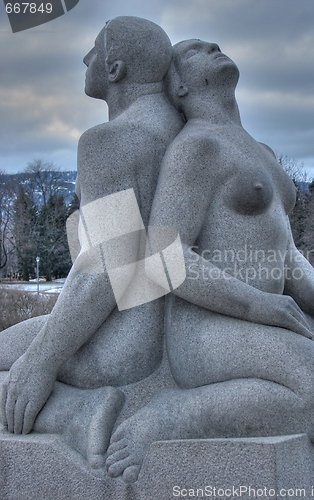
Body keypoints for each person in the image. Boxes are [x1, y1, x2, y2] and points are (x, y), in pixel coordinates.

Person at [106, 39, 314, 483]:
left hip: (275, 322)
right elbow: (162, 257)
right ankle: (173, 414)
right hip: (210, 331)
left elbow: (285, 253)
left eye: (211, 44)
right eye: (194, 52)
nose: (212, 46)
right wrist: (256, 304)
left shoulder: (262, 153)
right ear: (178, 88)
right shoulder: (197, 148)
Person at [0, 17, 183, 466]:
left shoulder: (111, 140)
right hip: (175, 331)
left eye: (95, 50)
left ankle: (76, 415)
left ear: (115, 68)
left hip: (122, 340)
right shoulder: (182, 129)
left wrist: (42, 360)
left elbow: (110, 262)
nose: (85, 59)